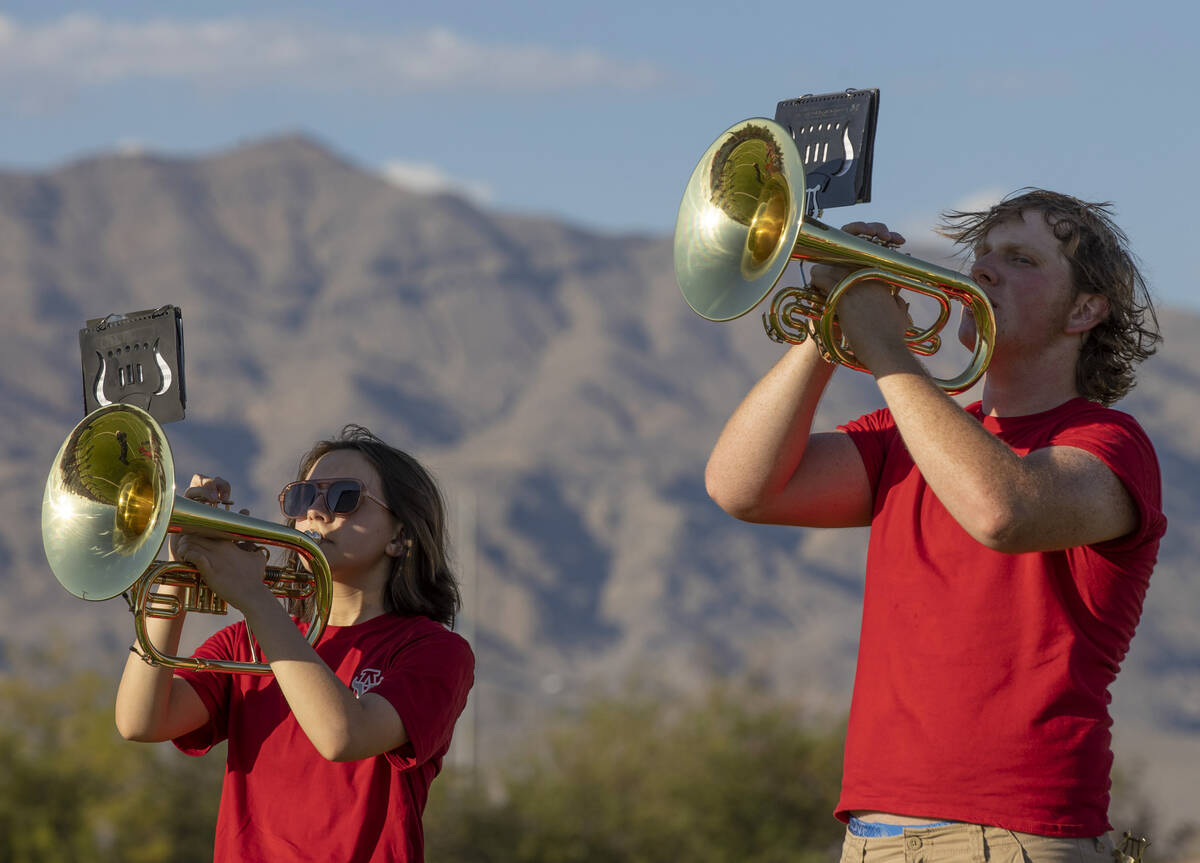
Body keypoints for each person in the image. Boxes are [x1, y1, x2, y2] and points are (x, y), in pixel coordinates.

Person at [704, 189, 1166, 862]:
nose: (982, 271)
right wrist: (824, 330)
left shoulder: (1109, 444)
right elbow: (740, 486)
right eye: (981, 255)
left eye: (1019, 259)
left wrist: (885, 346)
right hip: (873, 834)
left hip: (1015, 836)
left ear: (1085, 309)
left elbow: (1002, 511)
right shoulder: (906, 439)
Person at [115, 424, 474, 863]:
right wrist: (178, 568)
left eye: (344, 497)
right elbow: (141, 721)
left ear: (400, 536)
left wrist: (253, 597)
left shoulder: (435, 650)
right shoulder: (245, 640)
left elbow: (343, 736)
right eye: (304, 498)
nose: (315, 515)